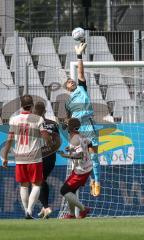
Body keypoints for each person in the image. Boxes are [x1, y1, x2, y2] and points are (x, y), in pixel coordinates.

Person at [2, 95, 50, 219]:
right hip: (34, 156)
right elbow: (46, 137)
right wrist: (49, 143)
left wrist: (5, 156)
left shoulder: (14, 119)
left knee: (24, 185)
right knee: (36, 184)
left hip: (20, 157)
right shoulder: (38, 119)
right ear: (32, 105)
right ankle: (29, 210)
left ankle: (26, 212)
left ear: (21, 105)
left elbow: (9, 140)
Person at [63, 42, 100, 197]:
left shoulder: (81, 88)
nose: (71, 81)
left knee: (94, 156)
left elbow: (81, 73)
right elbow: (68, 119)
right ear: (66, 88)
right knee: (81, 159)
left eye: (72, 80)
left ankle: (96, 182)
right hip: (78, 130)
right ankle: (78, 186)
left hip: (89, 126)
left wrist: (79, 56)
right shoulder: (68, 102)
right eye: (68, 82)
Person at [59, 118, 91, 219]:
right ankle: (72, 214)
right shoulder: (81, 136)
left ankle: (83, 209)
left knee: (64, 190)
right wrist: (72, 148)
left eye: (66, 125)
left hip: (81, 170)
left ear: (70, 128)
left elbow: (80, 155)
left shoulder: (74, 139)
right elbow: (89, 143)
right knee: (70, 191)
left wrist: (66, 156)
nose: (65, 126)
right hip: (84, 167)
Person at [34, 101, 61, 219]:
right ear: (45, 111)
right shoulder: (53, 124)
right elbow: (58, 141)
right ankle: (44, 207)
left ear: (34, 112)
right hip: (51, 157)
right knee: (41, 180)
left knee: (36, 181)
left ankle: (46, 207)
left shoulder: (33, 124)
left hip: (39, 156)